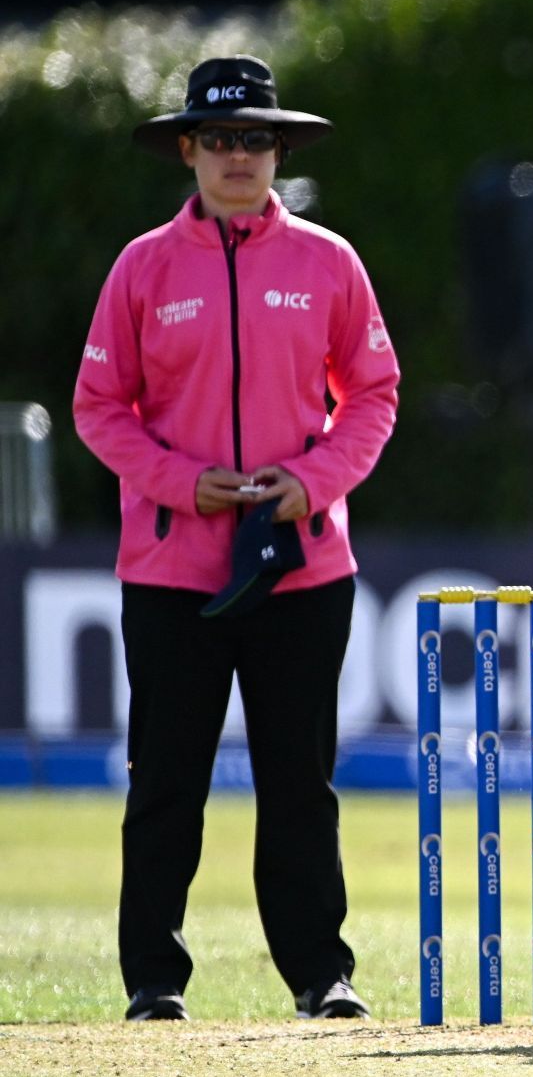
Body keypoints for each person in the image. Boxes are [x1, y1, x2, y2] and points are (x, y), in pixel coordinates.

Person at [73, 56, 399, 1021]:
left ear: (278, 151)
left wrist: (310, 484)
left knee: (300, 781)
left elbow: (373, 395)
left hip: (301, 565)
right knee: (166, 779)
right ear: (189, 150)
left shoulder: (329, 261)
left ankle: (319, 975)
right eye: (220, 139)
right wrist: (186, 485)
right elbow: (100, 406)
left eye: (256, 139)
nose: (238, 157)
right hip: (173, 567)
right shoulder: (142, 266)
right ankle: (152, 981)